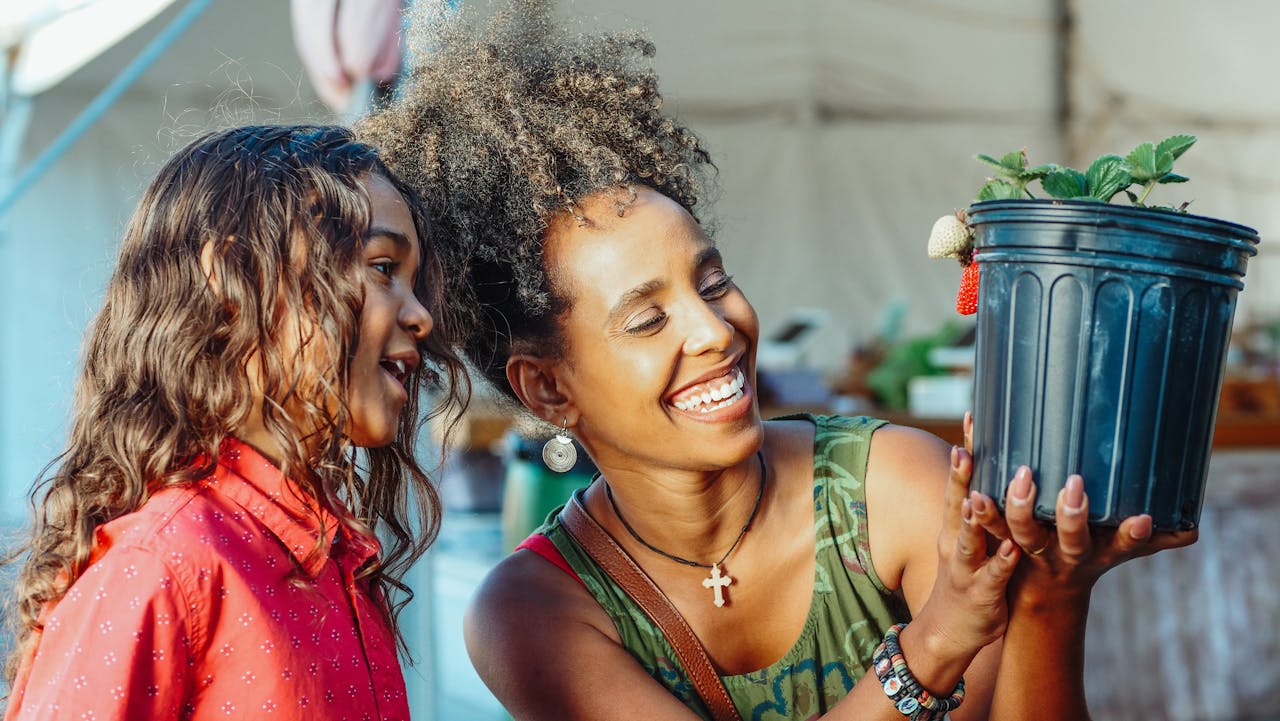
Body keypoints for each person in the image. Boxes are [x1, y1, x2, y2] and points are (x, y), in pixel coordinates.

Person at [359, 4, 1197, 720]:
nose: (717, 330)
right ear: (548, 387)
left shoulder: (892, 486)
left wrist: (1054, 590)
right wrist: (933, 642)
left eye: (714, 280)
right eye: (649, 318)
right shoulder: (534, 611)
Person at [1, 124, 467, 720]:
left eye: (412, 280)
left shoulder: (337, 562)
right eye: (382, 268)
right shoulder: (163, 568)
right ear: (231, 276)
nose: (420, 315)